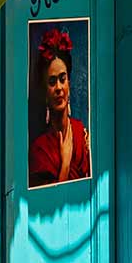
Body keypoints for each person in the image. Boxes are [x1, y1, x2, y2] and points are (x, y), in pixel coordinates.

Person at [28, 27, 90, 186]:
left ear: (69, 82)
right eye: (52, 82)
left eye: (63, 79)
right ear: (45, 91)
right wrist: (66, 163)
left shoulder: (80, 131)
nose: (58, 88)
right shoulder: (39, 150)